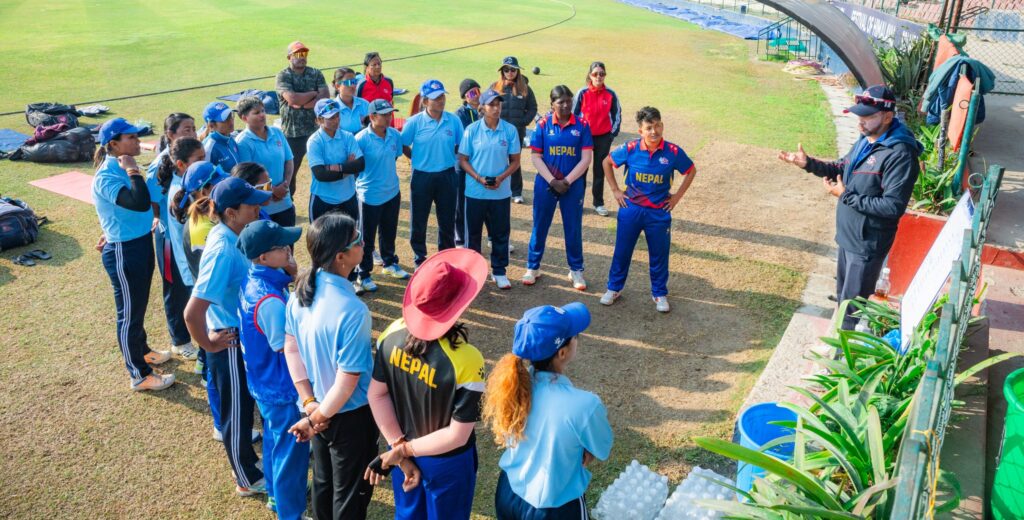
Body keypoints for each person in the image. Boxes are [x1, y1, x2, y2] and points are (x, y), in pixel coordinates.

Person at [778, 85, 921, 330]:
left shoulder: (900, 154)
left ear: (888, 116)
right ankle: (838, 342)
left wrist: (846, 196)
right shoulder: (867, 140)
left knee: (851, 312)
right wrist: (808, 164)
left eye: (868, 117)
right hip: (848, 236)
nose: (860, 122)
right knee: (843, 300)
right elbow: (842, 167)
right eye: (859, 116)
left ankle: (841, 350)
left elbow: (892, 207)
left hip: (866, 244)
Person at [366, 248, 488, 520]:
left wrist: (400, 449)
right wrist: (403, 451)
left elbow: (376, 395)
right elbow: (457, 436)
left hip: (402, 451)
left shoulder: (390, 333)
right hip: (447, 462)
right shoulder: (467, 359)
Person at [282, 213, 380, 520]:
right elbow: (347, 381)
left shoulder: (299, 293)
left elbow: (291, 349)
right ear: (340, 256)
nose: (363, 242)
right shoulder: (353, 310)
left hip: (317, 407)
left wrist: (310, 405)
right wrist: (316, 418)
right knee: (350, 495)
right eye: (358, 239)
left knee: (323, 484)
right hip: (350, 416)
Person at [483, 303, 613, 519]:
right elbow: (602, 448)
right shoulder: (586, 405)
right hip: (556, 507)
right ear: (562, 352)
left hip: (509, 492)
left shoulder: (511, 387)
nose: (577, 339)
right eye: (575, 336)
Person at [184, 177, 271, 496]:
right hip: (229, 341)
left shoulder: (235, 233)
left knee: (245, 406)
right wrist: (209, 345)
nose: (258, 208)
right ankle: (245, 478)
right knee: (237, 412)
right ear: (232, 213)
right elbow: (192, 312)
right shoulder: (222, 249)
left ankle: (249, 462)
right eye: (251, 205)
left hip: (244, 334)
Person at [92, 117, 175, 392]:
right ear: (113, 144)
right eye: (131, 137)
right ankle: (139, 375)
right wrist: (132, 169)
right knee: (129, 314)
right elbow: (139, 203)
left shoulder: (120, 167)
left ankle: (143, 351)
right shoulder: (107, 175)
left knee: (138, 307)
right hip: (124, 251)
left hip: (139, 243)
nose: (138, 141)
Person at [237, 220, 308, 519]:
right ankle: (290, 512)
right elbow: (285, 347)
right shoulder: (270, 301)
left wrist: (291, 274)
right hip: (280, 387)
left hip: (261, 381)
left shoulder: (254, 280)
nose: (289, 249)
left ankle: (276, 496)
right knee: (291, 452)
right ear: (264, 257)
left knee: (274, 439)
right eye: (282, 246)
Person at [601, 106, 696, 313]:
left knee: (659, 254)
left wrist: (676, 197)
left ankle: (659, 293)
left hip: (658, 213)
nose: (654, 131)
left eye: (657, 126)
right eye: (649, 128)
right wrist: (616, 190)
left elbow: (690, 170)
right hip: (631, 210)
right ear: (641, 131)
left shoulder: (673, 152)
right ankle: (614, 288)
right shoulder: (630, 148)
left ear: (662, 126)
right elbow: (606, 162)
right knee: (622, 251)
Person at [524, 85, 594, 291]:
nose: (565, 105)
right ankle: (533, 267)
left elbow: (586, 158)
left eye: (568, 101)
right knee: (540, 225)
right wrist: (552, 181)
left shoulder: (582, 125)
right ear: (552, 103)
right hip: (546, 185)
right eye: (560, 102)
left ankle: (576, 270)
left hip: (572, 185)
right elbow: (536, 156)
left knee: (572, 227)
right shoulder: (543, 124)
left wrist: (567, 181)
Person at [457, 88, 521, 290]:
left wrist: (501, 178)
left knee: (500, 233)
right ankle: (474, 272)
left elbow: (515, 161)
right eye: (491, 104)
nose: (496, 108)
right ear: (482, 107)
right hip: (475, 192)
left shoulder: (509, 130)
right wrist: (478, 178)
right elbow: (463, 159)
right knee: (473, 235)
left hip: (500, 193)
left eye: (498, 104)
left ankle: (499, 271)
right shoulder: (472, 130)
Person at [148, 113, 198, 360]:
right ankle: (180, 340)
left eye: (194, 128)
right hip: (169, 236)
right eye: (187, 129)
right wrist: (158, 218)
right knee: (175, 287)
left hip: (188, 232)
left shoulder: (191, 157)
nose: (193, 133)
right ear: (170, 134)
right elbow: (150, 197)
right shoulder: (161, 163)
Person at [401, 79, 464, 268]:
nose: (441, 101)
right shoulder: (414, 122)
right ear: (425, 100)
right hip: (422, 176)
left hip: (447, 175)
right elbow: (403, 144)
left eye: (442, 96)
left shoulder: (453, 120)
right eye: (436, 98)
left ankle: (446, 257)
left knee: (447, 220)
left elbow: (460, 145)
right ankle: (419, 258)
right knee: (419, 220)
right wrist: (416, 159)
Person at [354, 99, 412, 295]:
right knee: (366, 238)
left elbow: (394, 156)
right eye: (384, 114)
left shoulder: (394, 135)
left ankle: (389, 262)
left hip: (392, 192)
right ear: (372, 117)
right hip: (369, 195)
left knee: (389, 231)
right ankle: (363, 273)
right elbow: (356, 167)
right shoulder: (361, 139)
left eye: (390, 114)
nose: (389, 117)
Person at [276, 40, 329, 196]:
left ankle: (325, 196)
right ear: (289, 57)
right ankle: (288, 198)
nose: (302, 57)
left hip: (315, 129)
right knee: (290, 170)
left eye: (304, 53)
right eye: (297, 54)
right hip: (293, 133)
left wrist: (303, 104)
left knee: (324, 165)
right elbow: (292, 98)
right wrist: (313, 94)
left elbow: (325, 97)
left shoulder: (316, 73)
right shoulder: (283, 75)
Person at [236, 96, 296, 227]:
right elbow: (247, 177)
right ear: (244, 118)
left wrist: (285, 185)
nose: (262, 115)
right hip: (262, 210)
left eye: (263, 110)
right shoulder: (243, 142)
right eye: (256, 112)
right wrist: (272, 191)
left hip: (285, 202)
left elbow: (289, 160)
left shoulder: (277, 132)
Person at [572, 61, 621, 217]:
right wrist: (576, 134)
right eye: (595, 74)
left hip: (603, 137)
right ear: (590, 75)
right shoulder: (582, 93)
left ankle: (598, 203)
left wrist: (612, 134)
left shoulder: (611, 94)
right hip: (585, 137)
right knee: (581, 170)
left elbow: (617, 115)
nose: (598, 77)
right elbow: (573, 115)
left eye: (602, 74)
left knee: (600, 170)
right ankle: (578, 201)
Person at [307, 98, 365, 224]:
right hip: (323, 200)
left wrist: (337, 167)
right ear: (319, 120)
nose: (336, 120)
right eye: (331, 117)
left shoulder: (348, 136)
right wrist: (348, 168)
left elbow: (360, 165)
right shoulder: (314, 141)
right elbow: (321, 175)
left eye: (337, 115)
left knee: (350, 236)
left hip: (348, 198)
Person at [490, 56, 537, 204]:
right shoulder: (495, 87)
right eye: (506, 70)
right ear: (502, 71)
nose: (509, 72)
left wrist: (523, 122)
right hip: (498, 131)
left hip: (517, 132)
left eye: (513, 70)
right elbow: (484, 105)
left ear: (517, 71)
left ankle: (516, 192)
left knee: (514, 162)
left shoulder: (525, 88)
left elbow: (533, 108)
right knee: (497, 160)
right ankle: (496, 187)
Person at [454, 79, 482, 248]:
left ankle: (490, 237)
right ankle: (460, 238)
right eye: (472, 93)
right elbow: (461, 141)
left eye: (478, 91)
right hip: (462, 165)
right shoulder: (459, 115)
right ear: (465, 97)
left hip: (481, 163)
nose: (476, 95)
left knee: (484, 202)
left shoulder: (485, 109)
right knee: (460, 202)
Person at [200, 101, 240, 174]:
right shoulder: (208, 149)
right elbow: (206, 177)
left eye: (230, 116)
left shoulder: (230, 138)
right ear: (211, 126)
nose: (231, 121)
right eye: (225, 119)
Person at [334, 67, 371, 135]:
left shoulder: (365, 104)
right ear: (337, 86)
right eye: (348, 82)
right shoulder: (332, 109)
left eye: (354, 81)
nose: (353, 85)